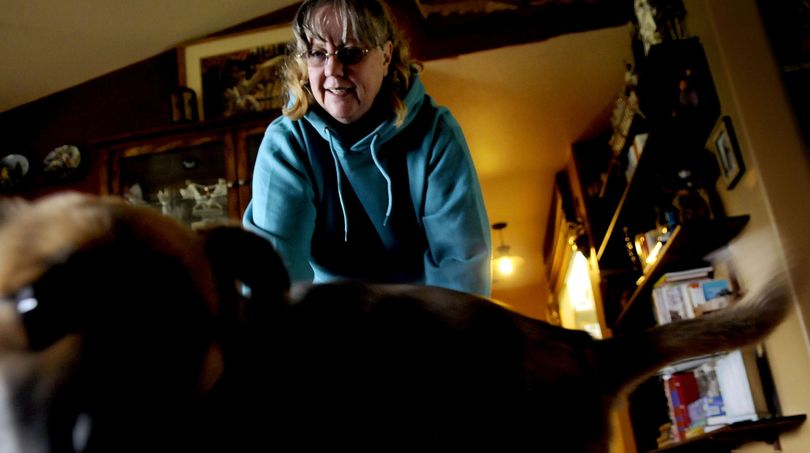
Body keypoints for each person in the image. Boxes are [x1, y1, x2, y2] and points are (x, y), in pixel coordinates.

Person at [242, 0, 491, 296]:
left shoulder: (436, 133)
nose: (333, 70)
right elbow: (274, 281)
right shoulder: (288, 143)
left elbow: (461, 272)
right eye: (318, 54)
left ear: (386, 57)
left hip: (422, 319)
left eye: (351, 53)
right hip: (329, 321)